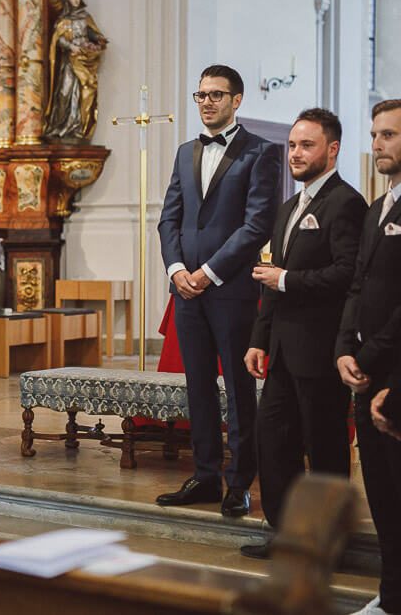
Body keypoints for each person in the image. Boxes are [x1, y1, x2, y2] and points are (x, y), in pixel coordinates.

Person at [240, 108, 365, 559]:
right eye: (292, 145)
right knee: (273, 441)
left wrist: (288, 279)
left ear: (331, 149)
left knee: (325, 445)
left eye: (306, 145)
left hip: (319, 346)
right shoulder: (289, 207)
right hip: (280, 348)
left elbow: (350, 274)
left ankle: (330, 539)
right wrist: (258, 338)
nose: (295, 153)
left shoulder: (347, 203)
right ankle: (286, 532)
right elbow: (269, 275)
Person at [156, 64, 281, 516]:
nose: (206, 102)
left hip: (230, 290)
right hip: (185, 290)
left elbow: (256, 224)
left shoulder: (261, 153)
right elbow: (168, 218)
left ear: (236, 100)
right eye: (201, 94)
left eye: (216, 94)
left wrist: (208, 271)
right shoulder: (185, 151)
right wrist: (175, 270)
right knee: (198, 388)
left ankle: (239, 482)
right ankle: (205, 476)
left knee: (238, 388)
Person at [336, 99, 401, 615]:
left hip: (395, 372)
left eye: (389, 135)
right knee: (380, 496)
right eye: (376, 134)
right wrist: (344, 348)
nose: (378, 143)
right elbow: (356, 285)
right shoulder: (378, 207)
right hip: (364, 368)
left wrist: (373, 354)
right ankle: (391, 593)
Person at [43, 0, 107, 142]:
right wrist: (70, 45)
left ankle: (78, 127)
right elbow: (58, 40)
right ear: (66, 1)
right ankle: (61, 126)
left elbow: (93, 33)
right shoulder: (63, 21)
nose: (76, 0)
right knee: (65, 93)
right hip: (69, 63)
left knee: (84, 92)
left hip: (85, 60)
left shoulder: (86, 18)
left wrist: (98, 40)